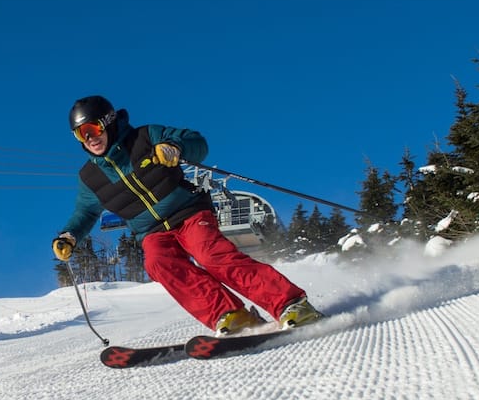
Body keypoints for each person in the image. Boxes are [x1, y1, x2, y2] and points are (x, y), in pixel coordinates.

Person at [52, 95, 323, 335]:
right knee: (158, 263)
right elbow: (85, 212)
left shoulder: (145, 137)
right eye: (80, 134)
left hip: (189, 213)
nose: (89, 138)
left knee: (210, 254)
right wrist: (69, 235)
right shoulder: (90, 177)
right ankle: (229, 314)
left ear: (108, 121)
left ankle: (290, 304)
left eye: (91, 129)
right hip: (152, 232)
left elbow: (196, 141)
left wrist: (174, 147)